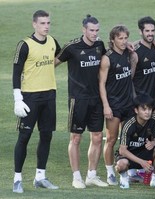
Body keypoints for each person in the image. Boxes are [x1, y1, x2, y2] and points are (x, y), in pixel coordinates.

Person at [55, 14, 108, 189]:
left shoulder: (100, 45)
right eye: (91, 30)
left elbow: (113, 53)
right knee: (76, 138)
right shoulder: (72, 47)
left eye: (97, 30)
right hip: (77, 100)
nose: (94, 33)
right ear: (83, 29)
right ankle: (76, 177)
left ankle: (91, 175)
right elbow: (53, 63)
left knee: (98, 137)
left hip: (96, 99)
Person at [12, 10, 60, 193]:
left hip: (49, 96)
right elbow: (16, 74)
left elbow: (60, 56)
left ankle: (40, 176)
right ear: (34, 24)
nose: (46, 26)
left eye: (48, 23)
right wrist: (18, 99)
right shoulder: (24, 45)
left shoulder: (52, 41)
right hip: (30, 97)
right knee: (24, 137)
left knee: (46, 136)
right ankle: (17, 179)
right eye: (42, 23)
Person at [99, 25, 137, 186]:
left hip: (129, 104)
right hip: (114, 105)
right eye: (120, 38)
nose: (123, 41)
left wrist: (134, 56)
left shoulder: (129, 54)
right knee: (112, 139)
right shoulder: (107, 58)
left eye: (125, 38)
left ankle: (127, 170)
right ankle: (109, 173)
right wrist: (106, 106)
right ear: (113, 39)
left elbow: (130, 75)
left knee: (128, 138)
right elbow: (101, 84)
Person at [115, 93, 155, 189]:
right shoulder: (129, 124)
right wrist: (141, 162)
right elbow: (122, 151)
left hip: (144, 153)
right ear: (136, 110)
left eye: (149, 109)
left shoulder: (153, 119)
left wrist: (153, 143)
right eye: (144, 109)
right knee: (121, 164)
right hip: (129, 155)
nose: (147, 112)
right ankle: (124, 178)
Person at [132, 16, 155, 119]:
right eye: (147, 31)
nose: (150, 33)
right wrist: (135, 99)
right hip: (141, 100)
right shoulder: (134, 52)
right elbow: (129, 79)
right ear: (140, 31)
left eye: (153, 30)